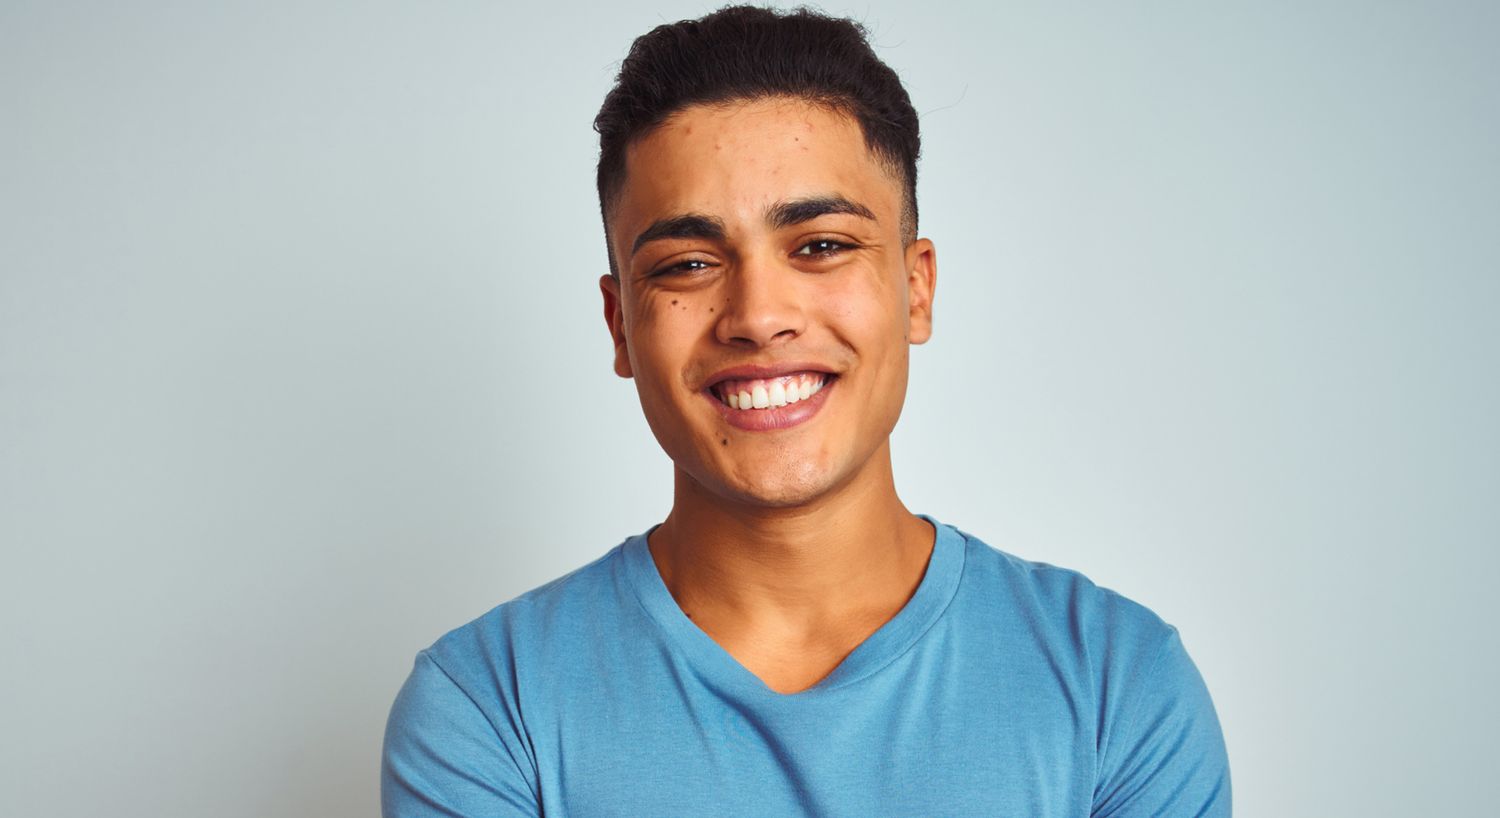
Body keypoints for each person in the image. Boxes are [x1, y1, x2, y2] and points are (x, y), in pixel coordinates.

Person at [381, 6, 1231, 816]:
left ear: (916, 287)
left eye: (820, 246)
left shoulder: (1118, 684)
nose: (758, 314)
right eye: (686, 264)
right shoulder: (490, 706)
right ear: (620, 326)